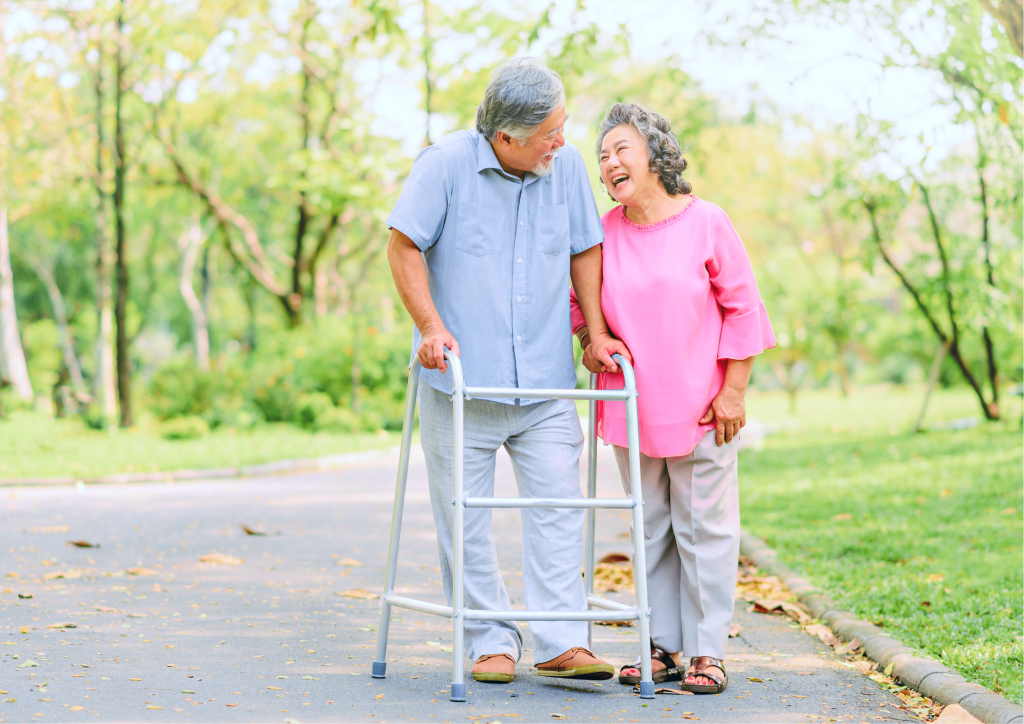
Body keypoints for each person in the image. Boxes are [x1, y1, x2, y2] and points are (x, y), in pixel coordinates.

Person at [386, 57, 631, 685]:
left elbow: (586, 247)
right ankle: (488, 639)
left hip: (546, 381)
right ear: (506, 138)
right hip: (463, 383)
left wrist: (596, 333)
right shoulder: (443, 166)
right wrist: (430, 327)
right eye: (550, 130)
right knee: (462, 517)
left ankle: (561, 642)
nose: (563, 140)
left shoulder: (566, 167)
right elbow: (403, 244)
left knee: (558, 507)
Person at [570, 102, 776, 694]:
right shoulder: (601, 232)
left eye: (621, 149)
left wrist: (735, 391)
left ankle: (708, 652)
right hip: (631, 404)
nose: (609, 163)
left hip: (703, 406)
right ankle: (661, 646)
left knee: (704, 529)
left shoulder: (707, 220)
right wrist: (591, 338)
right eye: (603, 156)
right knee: (649, 527)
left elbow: (743, 308)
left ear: (656, 155)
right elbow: (579, 302)